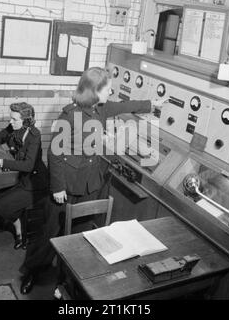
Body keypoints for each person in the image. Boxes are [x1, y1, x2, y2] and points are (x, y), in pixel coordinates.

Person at [19, 67, 166, 295]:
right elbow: (54, 154)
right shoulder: (69, 116)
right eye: (108, 88)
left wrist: (151, 104)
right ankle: (32, 271)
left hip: (89, 183)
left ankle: (69, 281)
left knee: (82, 234)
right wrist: (57, 187)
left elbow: (124, 106)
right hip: (65, 186)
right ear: (95, 90)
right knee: (50, 232)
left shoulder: (101, 109)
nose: (111, 92)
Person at [0, 102, 48, 250]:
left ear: (26, 121)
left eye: (14, 119)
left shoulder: (34, 135)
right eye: (10, 118)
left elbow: (28, 165)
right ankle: (16, 221)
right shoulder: (13, 128)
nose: (10, 122)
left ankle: (20, 231)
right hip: (22, 179)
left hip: (35, 183)